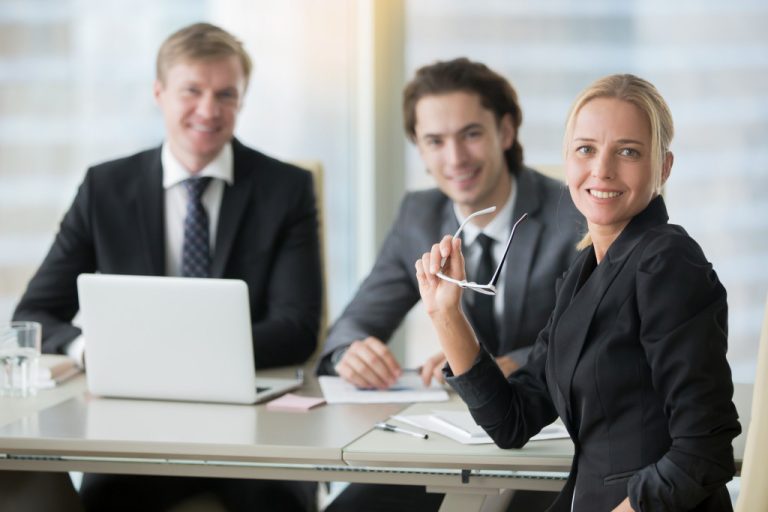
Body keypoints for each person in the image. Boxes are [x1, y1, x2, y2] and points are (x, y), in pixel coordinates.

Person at [13, 22, 321, 512]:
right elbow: (36, 313)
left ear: (241, 101)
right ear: (158, 93)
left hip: (258, 435)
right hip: (134, 436)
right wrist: (96, 349)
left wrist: (158, 359)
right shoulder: (105, 188)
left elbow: (297, 328)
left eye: (226, 94)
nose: (208, 110)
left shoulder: (286, 189)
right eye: (191, 91)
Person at [416, 74, 741, 512]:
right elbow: (512, 420)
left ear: (663, 167)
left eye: (628, 151)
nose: (602, 170)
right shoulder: (583, 271)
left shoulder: (667, 262)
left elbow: (703, 452)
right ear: (567, 161)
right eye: (586, 149)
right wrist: (445, 314)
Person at [318, 58, 581, 511]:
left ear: (506, 131)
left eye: (471, 134)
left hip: (545, 445)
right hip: (447, 443)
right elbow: (353, 323)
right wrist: (350, 352)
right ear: (419, 150)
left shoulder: (573, 214)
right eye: (435, 141)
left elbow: (588, 340)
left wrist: (487, 363)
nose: (454, 158)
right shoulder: (419, 214)